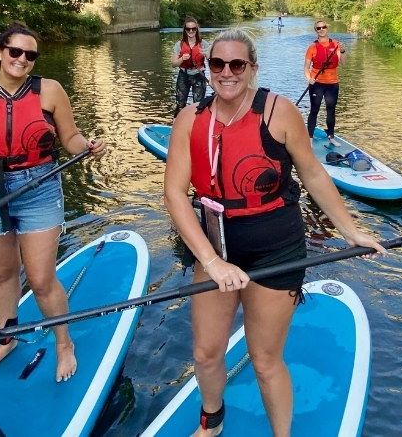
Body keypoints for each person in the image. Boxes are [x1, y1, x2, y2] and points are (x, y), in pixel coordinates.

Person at [163, 29, 385, 437]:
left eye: (237, 64)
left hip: (276, 250)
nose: (226, 72)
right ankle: (211, 423)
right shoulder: (189, 119)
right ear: (208, 68)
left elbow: (313, 173)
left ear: (252, 68)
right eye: (217, 64)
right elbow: (175, 195)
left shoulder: (278, 111)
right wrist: (211, 262)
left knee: (264, 360)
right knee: (206, 352)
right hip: (214, 249)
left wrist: (350, 231)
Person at [0, 22, 106, 380]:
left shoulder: (51, 91)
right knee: (2, 273)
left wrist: (87, 147)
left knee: (42, 278)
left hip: (39, 186)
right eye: (15, 51)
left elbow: (70, 138)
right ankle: (7, 337)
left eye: (30, 55)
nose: (23, 59)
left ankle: (64, 342)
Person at [303, 21, 345, 147]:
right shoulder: (312, 47)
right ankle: (309, 137)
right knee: (314, 110)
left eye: (323, 27)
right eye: (319, 28)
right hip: (317, 83)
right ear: (316, 30)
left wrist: (342, 51)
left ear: (327, 28)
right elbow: (306, 67)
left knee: (331, 111)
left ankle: (331, 136)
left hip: (332, 83)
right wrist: (309, 78)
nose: (321, 29)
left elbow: (343, 63)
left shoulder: (336, 44)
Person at [172, 16, 208, 114]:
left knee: (199, 106)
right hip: (184, 75)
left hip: (199, 76)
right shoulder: (179, 44)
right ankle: (177, 127)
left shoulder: (204, 44)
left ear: (197, 29)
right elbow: (173, 64)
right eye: (188, 29)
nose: (191, 31)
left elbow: (211, 61)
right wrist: (181, 59)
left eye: (193, 29)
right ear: (185, 30)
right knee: (180, 105)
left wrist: (213, 79)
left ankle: (196, 127)